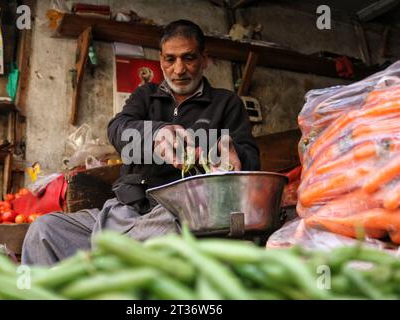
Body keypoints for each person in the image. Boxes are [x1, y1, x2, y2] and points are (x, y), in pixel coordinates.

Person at [21, 19, 260, 266]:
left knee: (157, 236)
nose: (178, 69)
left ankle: (106, 275)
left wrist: (234, 151)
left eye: (188, 58)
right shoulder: (146, 95)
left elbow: (252, 158)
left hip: (184, 215)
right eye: (170, 59)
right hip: (125, 210)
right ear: (161, 61)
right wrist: (157, 133)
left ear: (204, 59)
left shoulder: (226, 103)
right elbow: (117, 129)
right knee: (45, 230)